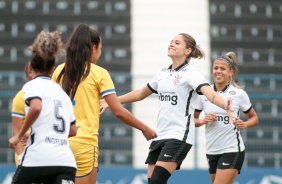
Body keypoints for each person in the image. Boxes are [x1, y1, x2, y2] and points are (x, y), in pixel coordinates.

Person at [100, 33, 234, 184]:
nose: (171, 44)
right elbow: (140, 94)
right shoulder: (162, 74)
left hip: (179, 136)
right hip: (160, 135)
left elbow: (209, 93)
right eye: (171, 42)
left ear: (187, 51)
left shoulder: (192, 74)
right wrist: (110, 101)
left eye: (177, 43)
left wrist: (225, 105)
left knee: (157, 181)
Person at [51, 23, 157, 184]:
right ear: (93, 48)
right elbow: (118, 111)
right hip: (84, 144)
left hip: (57, 143)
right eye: (100, 48)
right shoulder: (99, 73)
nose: (100, 53)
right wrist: (145, 128)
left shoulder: (59, 70)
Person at [8, 30, 77, 184]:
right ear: (53, 69)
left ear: (31, 67)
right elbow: (72, 131)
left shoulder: (31, 86)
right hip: (65, 162)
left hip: (38, 159)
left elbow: (36, 107)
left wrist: (19, 135)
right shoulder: (62, 94)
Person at [194, 52, 259, 184]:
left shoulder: (239, 94)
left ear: (231, 72)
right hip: (212, 150)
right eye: (215, 68)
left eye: (222, 68)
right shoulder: (204, 94)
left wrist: (245, 124)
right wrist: (203, 120)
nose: (218, 71)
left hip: (232, 149)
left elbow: (254, 118)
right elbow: (193, 120)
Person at [11, 62, 34, 167]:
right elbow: (16, 133)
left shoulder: (47, 96)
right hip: (26, 154)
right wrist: (21, 159)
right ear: (27, 74)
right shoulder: (21, 97)